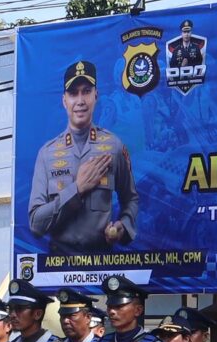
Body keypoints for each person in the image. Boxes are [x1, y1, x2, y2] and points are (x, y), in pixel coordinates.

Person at [26, 59, 136, 251]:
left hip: (102, 265)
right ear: (64, 100)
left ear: (96, 96)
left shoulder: (113, 146)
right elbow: (36, 224)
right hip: (58, 270)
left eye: (86, 91)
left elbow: (131, 199)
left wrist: (123, 226)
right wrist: (77, 189)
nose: (80, 101)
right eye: (73, 93)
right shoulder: (47, 153)